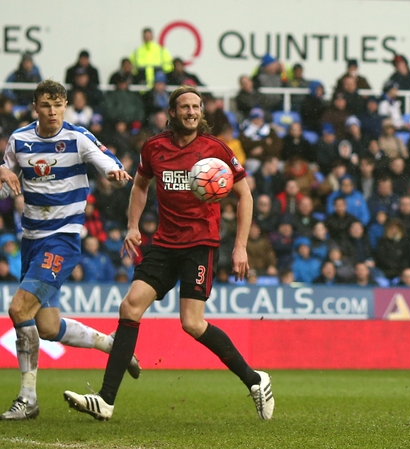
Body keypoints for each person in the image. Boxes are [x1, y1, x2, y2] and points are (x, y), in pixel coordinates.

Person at [62, 85, 274, 421]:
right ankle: (105, 400)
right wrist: (133, 226)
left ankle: (255, 379)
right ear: (172, 113)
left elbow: (245, 195)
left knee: (192, 323)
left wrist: (240, 247)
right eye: (185, 107)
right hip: (164, 243)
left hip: (200, 245)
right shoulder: (154, 148)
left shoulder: (215, 149)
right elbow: (140, 185)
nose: (191, 112)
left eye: (196, 107)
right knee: (130, 306)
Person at [0, 80, 137, 420]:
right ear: (35, 107)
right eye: (46, 105)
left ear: (65, 106)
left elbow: (103, 158)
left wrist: (114, 171)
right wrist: (2, 171)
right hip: (31, 240)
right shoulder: (19, 140)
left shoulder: (77, 138)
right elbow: (6, 183)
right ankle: (112, 345)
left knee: (19, 309)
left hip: (62, 239)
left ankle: (28, 399)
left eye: (58, 104)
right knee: (47, 326)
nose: (52, 111)